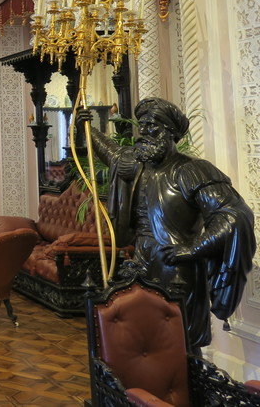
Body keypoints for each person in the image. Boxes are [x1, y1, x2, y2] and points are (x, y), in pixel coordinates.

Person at [79, 97, 255, 349]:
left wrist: (193, 248)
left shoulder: (191, 170)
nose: (145, 131)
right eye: (143, 125)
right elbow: (111, 152)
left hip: (176, 269)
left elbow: (233, 214)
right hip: (141, 264)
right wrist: (88, 127)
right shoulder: (136, 165)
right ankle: (146, 385)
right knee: (142, 340)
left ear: (171, 132)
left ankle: (187, 385)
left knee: (181, 341)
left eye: (153, 126)